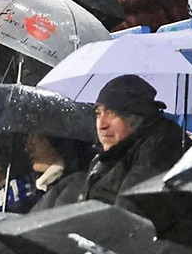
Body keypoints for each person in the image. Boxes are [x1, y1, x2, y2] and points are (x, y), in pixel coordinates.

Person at [77, 75, 184, 205]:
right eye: (98, 113)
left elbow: (133, 209)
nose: (102, 124)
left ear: (136, 116)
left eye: (112, 113)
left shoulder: (161, 143)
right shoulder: (110, 154)